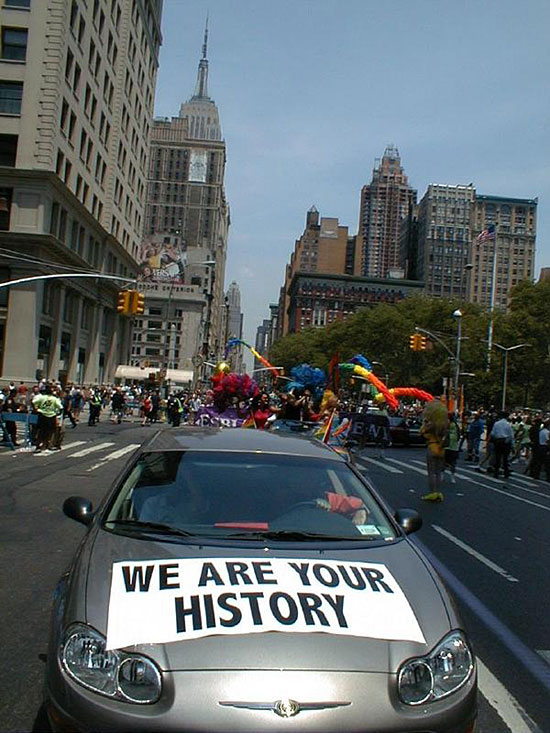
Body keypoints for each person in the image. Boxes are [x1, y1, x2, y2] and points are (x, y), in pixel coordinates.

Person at [420, 401, 449, 502]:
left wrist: (425, 422)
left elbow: (422, 431)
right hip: (441, 449)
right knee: (438, 472)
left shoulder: (431, 424)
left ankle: (432, 492)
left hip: (432, 446)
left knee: (431, 472)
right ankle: (438, 492)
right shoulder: (445, 423)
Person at [33, 384, 63, 453]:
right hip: (51, 416)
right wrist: (57, 413)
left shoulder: (42, 398)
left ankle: (38, 445)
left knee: (41, 431)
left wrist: (37, 409)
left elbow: (33, 402)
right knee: (50, 432)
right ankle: (46, 445)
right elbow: (60, 407)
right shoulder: (54, 399)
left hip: (42, 415)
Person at [490, 411, 514, 480]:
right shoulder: (508, 424)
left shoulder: (497, 423)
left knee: (497, 457)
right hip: (506, 441)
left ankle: (496, 472)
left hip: (498, 441)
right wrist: (512, 444)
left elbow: (493, 433)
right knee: (505, 458)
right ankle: (506, 472)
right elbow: (511, 435)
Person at [445, 413, 460, 484]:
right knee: (452, 463)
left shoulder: (446, 425)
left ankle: (443, 475)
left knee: (444, 462)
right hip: (453, 447)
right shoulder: (456, 425)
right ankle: (452, 477)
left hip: (448, 446)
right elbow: (458, 436)